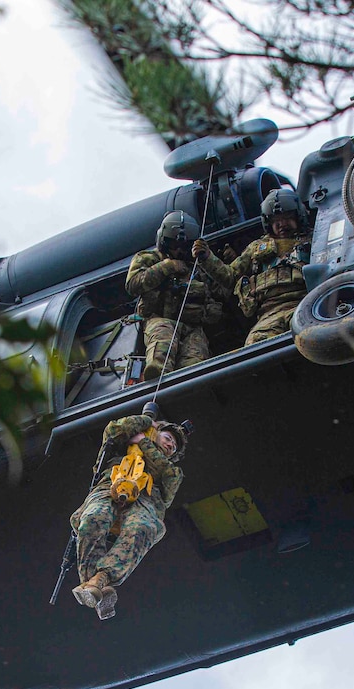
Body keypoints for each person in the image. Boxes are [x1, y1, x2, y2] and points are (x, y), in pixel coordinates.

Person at [69, 412, 188, 620]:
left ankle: (100, 579)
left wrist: (144, 444)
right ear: (155, 433)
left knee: (141, 528)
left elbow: (168, 475)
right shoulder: (118, 450)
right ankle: (97, 587)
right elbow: (113, 430)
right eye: (168, 438)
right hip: (109, 488)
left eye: (174, 447)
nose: (170, 445)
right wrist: (146, 422)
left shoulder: (171, 471)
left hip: (146, 501)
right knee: (92, 519)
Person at [193, 188, 312, 346]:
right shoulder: (257, 247)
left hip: (305, 302)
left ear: (299, 216)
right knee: (255, 345)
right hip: (270, 311)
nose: (282, 224)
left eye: (287, 217)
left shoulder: (313, 239)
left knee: (312, 334)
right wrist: (206, 257)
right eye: (276, 221)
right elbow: (230, 276)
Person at [126, 211, 223, 380]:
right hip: (160, 319)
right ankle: (157, 375)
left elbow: (220, 291)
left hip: (193, 326)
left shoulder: (198, 267)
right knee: (163, 339)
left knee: (196, 360)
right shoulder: (148, 258)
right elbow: (133, 284)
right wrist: (167, 267)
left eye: (183, 247)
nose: (178, 251)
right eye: (173, 245)